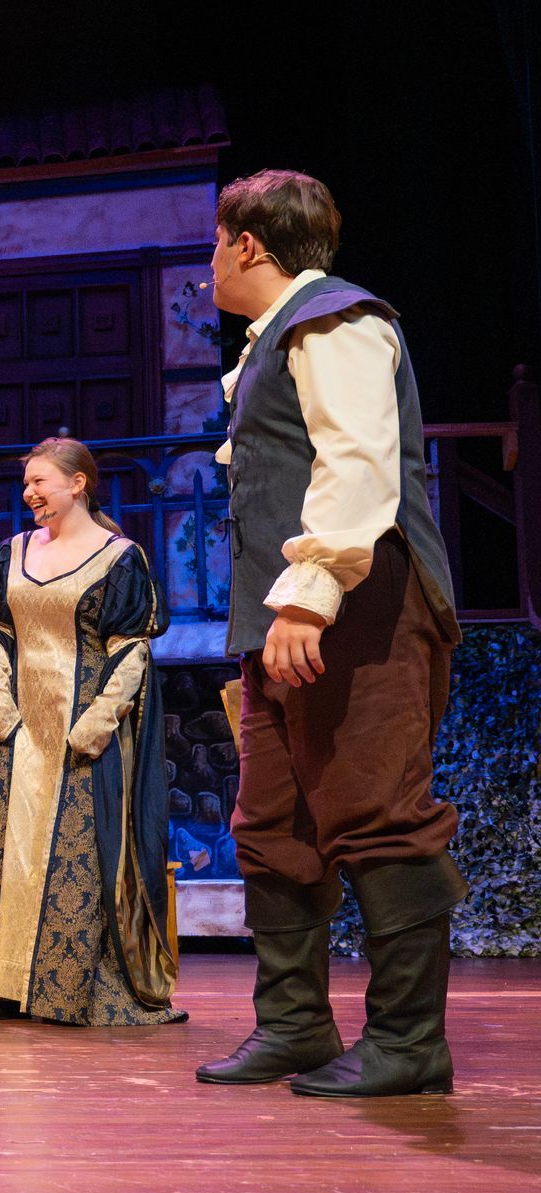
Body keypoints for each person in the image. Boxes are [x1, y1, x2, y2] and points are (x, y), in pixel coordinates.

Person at [193, 170, 467, 1097]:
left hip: (359, 608)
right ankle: (296, 1026)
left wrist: (311, 593)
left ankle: (408, 1043)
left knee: (380, 814)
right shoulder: (276, 342)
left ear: (249, 246)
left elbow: (357, 460)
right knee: (274, 824)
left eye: (214, 244)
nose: (211, 264)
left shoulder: (337, 322)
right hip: (285, 619)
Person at [0, 438, 184, 1026]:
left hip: (82, 729)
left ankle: (67, 992)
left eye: (41, 482)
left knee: (79, 853)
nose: (30, 493)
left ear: (78, 484)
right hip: (20, 727)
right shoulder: (13, 553)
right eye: (26, 483)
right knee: (8, 851)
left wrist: (101, 719)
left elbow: (130, 647)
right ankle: (0, 986)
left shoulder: (118, 557)